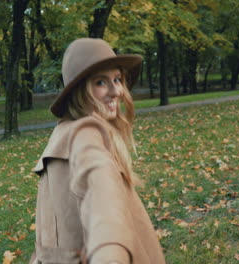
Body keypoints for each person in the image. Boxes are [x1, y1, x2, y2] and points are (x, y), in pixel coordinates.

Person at [30, 38, 165, 264]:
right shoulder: (85, 135)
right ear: (80, 90)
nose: (117, 91)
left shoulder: (65, 132)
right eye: (101, 82)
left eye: (117, 79)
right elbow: (102, 195)